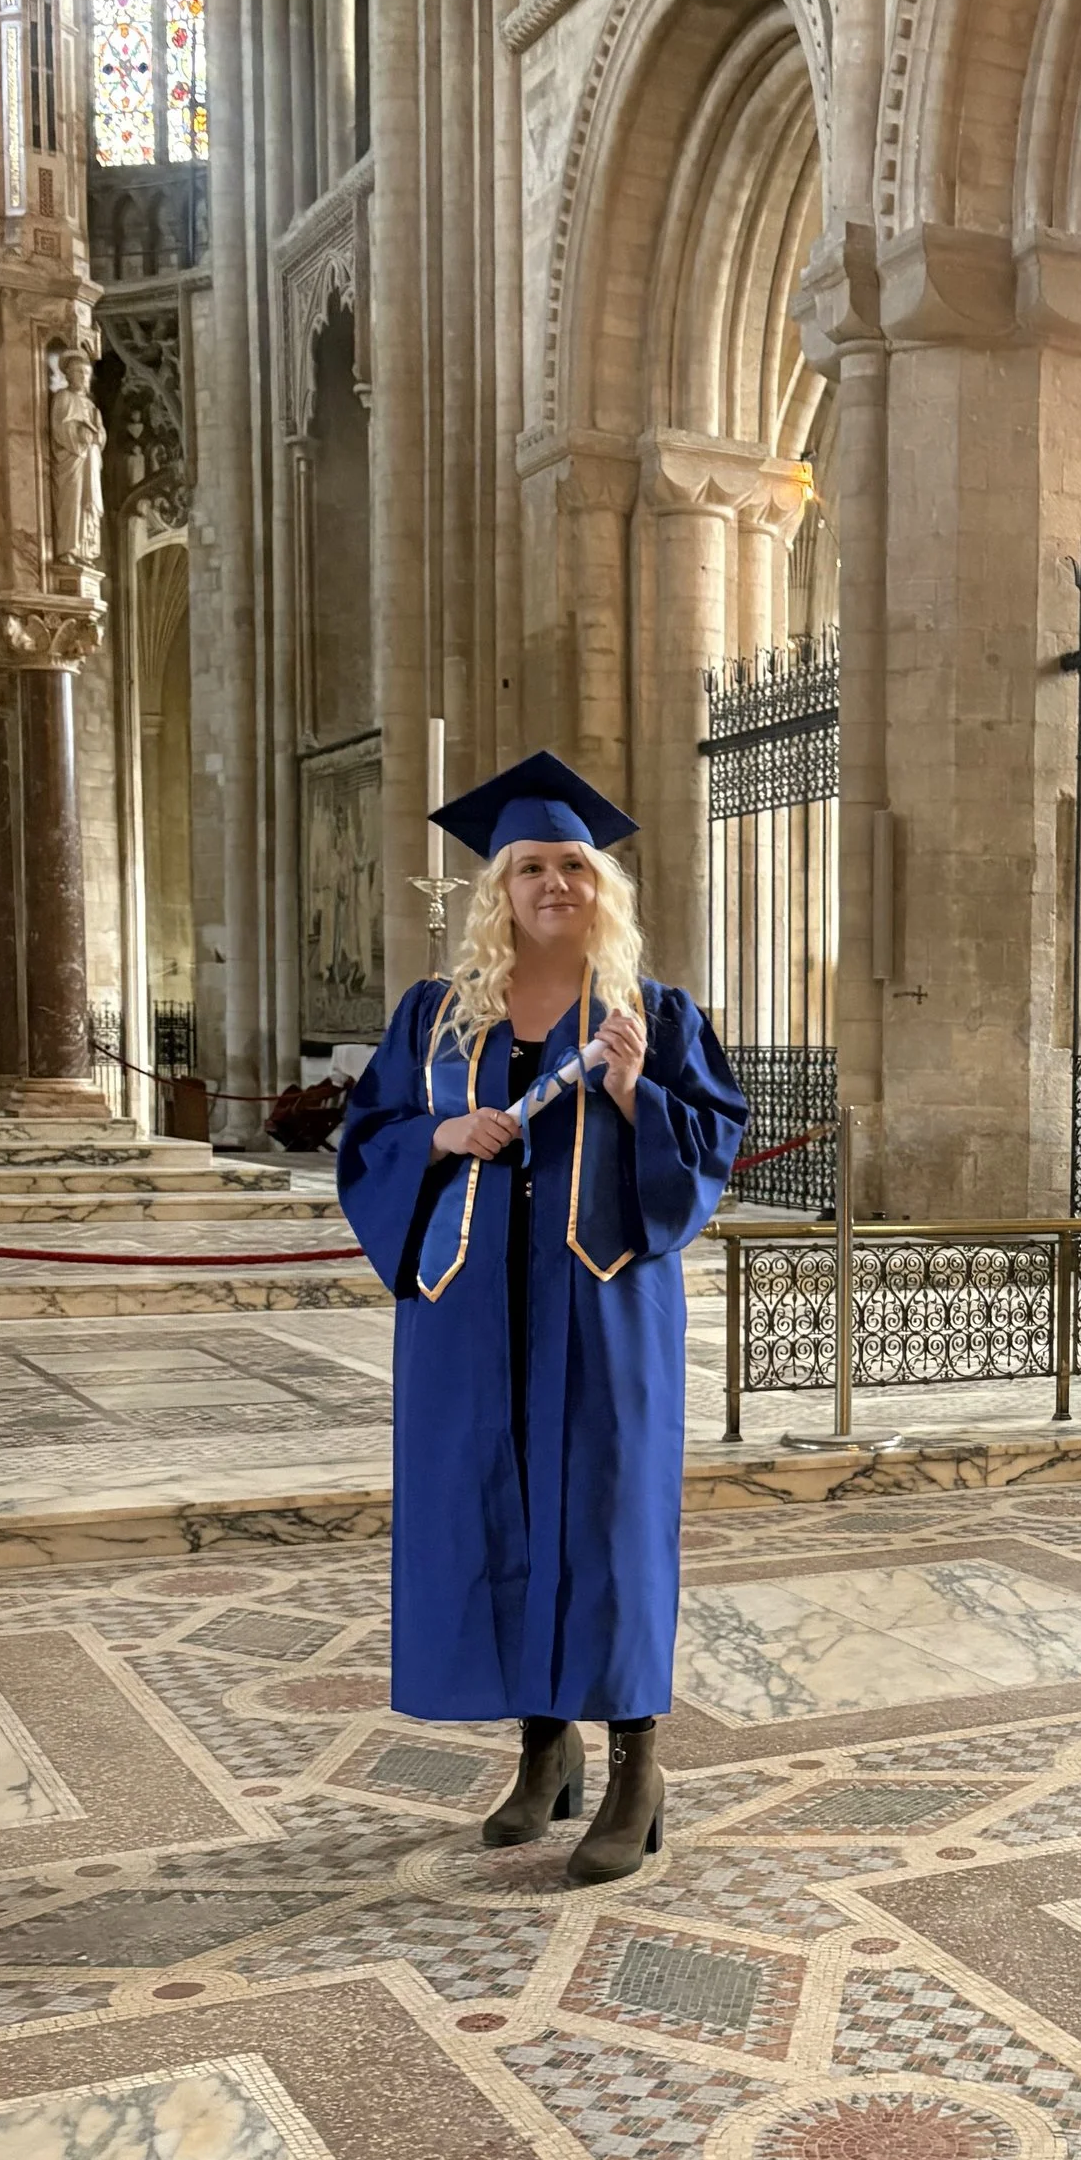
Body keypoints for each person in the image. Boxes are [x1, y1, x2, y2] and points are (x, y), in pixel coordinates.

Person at [338, 754, 747, 1884]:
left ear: (600, 886)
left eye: (574, 864)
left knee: (604, 1526)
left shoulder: (651, 1016)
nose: (554, 882)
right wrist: (438, 1137)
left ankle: (635, 1768)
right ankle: (541, 1752)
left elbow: (711, 1146)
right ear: (499, 888)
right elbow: (367, 1137)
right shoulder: (434, 1014)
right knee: (496, 1517)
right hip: (469, 1312)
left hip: (600, 1305)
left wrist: (630, 1090)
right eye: (531, 867)